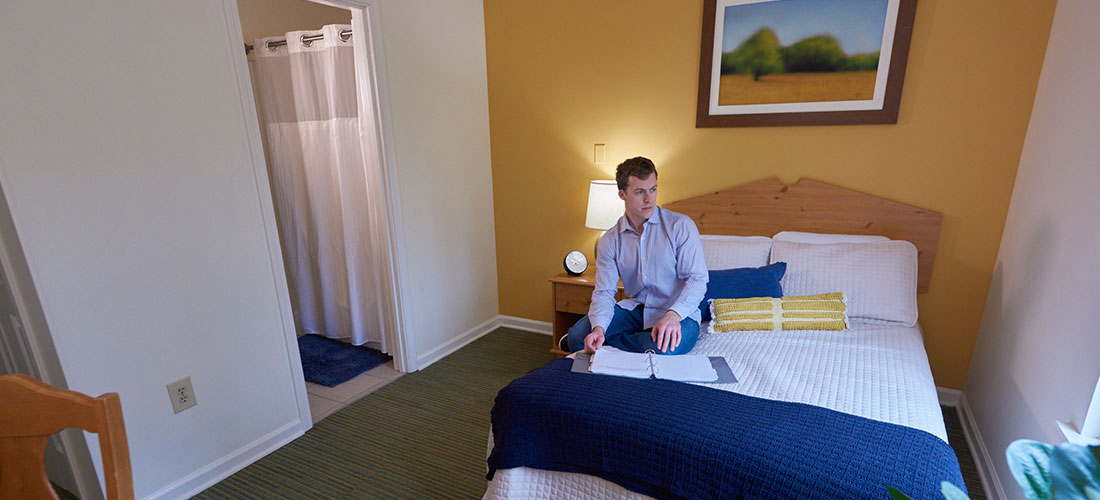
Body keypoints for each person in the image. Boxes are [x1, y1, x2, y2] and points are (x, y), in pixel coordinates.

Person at [563, 157, 708, 355]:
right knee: (577, 337)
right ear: (622, 194)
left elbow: (697, 280)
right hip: (636, 310)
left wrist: (673, 315)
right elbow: (604, 292)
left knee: (663, 348)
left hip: (679, 313)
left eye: (653, 189)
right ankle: (637, 343)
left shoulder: (680, 226)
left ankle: (620, 346)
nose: (649, 199)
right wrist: (598, 328)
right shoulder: (610, 240)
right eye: (640, 192)